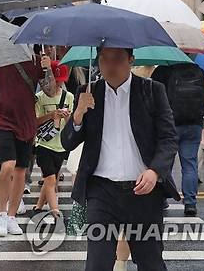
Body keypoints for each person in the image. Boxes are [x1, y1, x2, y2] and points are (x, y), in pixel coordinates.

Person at [62, 47, 180, 271]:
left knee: (150, 261)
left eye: (117, 59)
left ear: (131, 60)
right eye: (104, 59)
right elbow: (68, 143)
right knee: (97, 262)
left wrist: (155, 171)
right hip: (102, 192)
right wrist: (78, 114)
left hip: (143, 191)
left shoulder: (152, 91)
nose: (110, 66)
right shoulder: (87, 93)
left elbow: (168, 138)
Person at [0, 52, 51, 237]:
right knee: (7, 165)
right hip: (2, 120)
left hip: (26, 121)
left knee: (21, 171)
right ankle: (1, 213)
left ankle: (11, 216)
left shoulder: (35, 58)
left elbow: (49, 90)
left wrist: (47, 68)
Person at [151, 62, 204, 217]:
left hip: (169, 124)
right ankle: (190, 202)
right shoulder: (197, 69)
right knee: (190, 164)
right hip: (193, 124)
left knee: (164, 163)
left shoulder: (162, 70)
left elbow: (153, 96)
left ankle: (162, 198)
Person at [33, 61, 73, 216]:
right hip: (44, 144)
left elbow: (73, 123)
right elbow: (34, 121)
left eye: (60, 81)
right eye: (54, 80)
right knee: (50, 179)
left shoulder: (68, 96)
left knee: (52, 179)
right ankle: (55, 212)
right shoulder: (39, 98)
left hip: (60, 145)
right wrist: (51, 115)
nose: (57, 84)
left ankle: (38, 207)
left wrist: (67, 117)